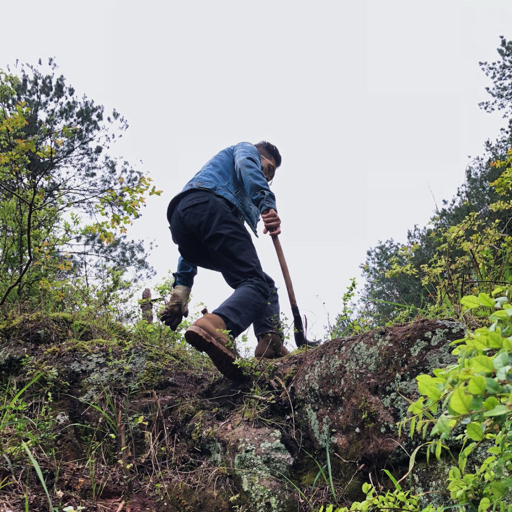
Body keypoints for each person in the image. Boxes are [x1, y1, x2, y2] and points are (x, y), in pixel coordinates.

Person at [159, 141, 289, 380]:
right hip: (209, 206)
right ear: (260, 156)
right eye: (268, 169)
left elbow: (194, 242)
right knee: (255, 282)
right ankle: (216, 325)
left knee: (264, 285)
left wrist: (181, 290)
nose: (267, 177)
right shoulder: (246, 151)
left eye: (270, 177)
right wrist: (266, 204)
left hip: (183, 220)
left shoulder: (219, 195)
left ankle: (269, 344)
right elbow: (248, 166)